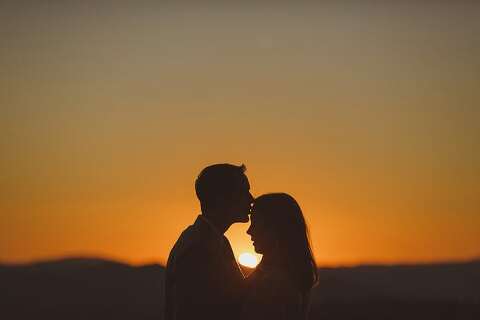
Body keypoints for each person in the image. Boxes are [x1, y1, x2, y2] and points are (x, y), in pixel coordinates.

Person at [165, 163, 254, 320]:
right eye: (244, 192)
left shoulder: (218, 242)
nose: (251, 199)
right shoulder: (197, 248)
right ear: (222, 198)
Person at [243, 193, 318, 320]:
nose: (249, 230)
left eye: (256, 223)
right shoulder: (288, 275)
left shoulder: (274, 285)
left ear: (275, 228)